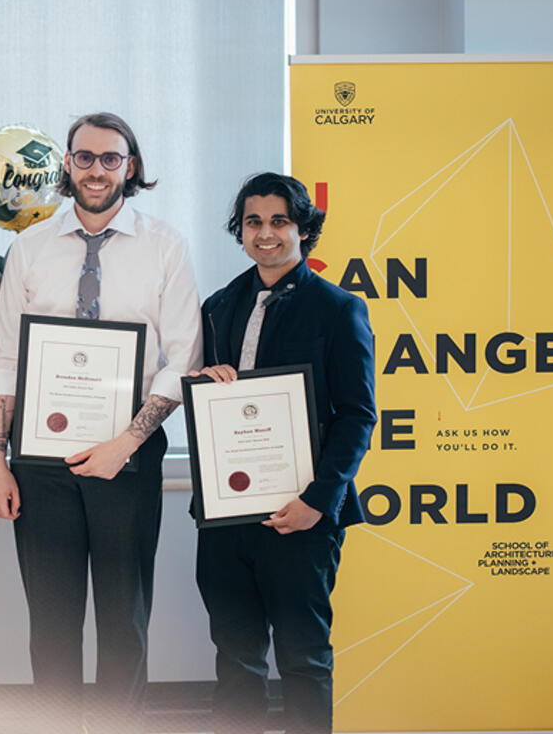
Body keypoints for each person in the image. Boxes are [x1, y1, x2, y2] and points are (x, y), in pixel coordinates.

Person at [0, 112, 202, 733]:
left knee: (123, 621)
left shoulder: (165, 246)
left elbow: (182, 357)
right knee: (50, 622)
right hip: (38, 459)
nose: (97, 170)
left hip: (127, 459)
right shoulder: (29, 248)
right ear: (67, 166)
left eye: (111, 158)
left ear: (130, 166)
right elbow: (6, 356)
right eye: (84, 158)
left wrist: (125, 442)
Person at [192, 172, 376, 734]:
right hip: (227, 518)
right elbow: (213, 404)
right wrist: (203, 382)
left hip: (303, 516)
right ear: (239, 230)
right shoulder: (218, 306)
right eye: (253, 222)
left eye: (279, 221)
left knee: (303, 661)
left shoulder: (338, 309)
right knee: (236, 662)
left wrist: (318, 501)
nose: (265, 234)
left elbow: (358, 415)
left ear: (303, 230)